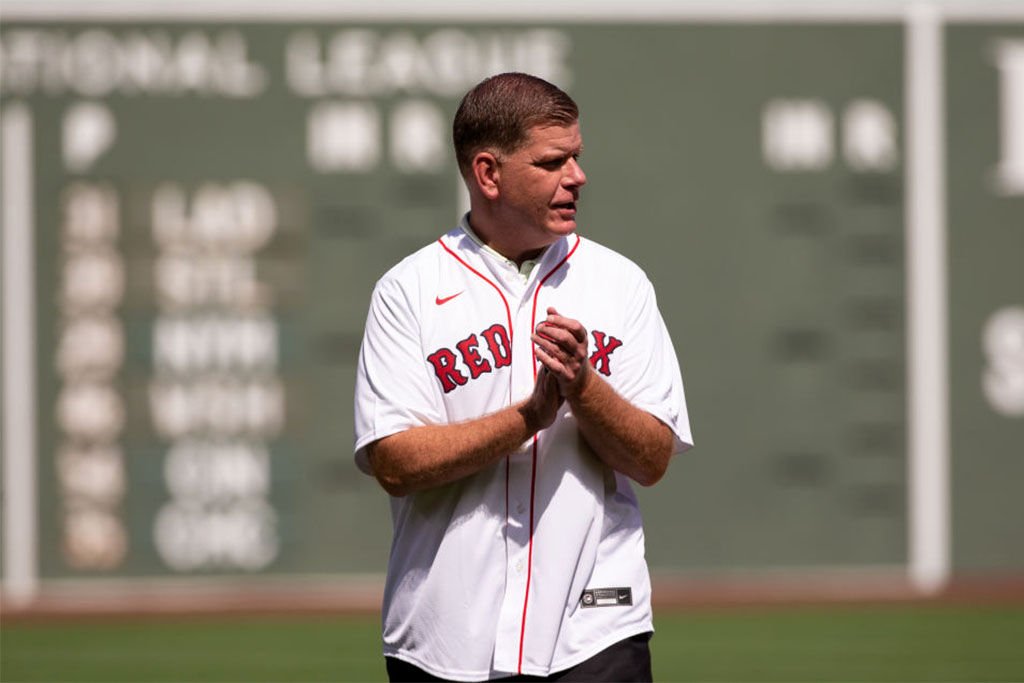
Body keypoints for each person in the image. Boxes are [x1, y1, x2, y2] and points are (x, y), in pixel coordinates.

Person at [353, 72, 693, 682]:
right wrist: (528, 418)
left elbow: (652, 459)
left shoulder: (620, 284)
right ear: (489, 174)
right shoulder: (408, 291)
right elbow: (395, 464)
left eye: (577, 157)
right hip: (445, 635)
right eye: (552, 161)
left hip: (595, 629)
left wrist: (585, 389)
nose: (577, 176)